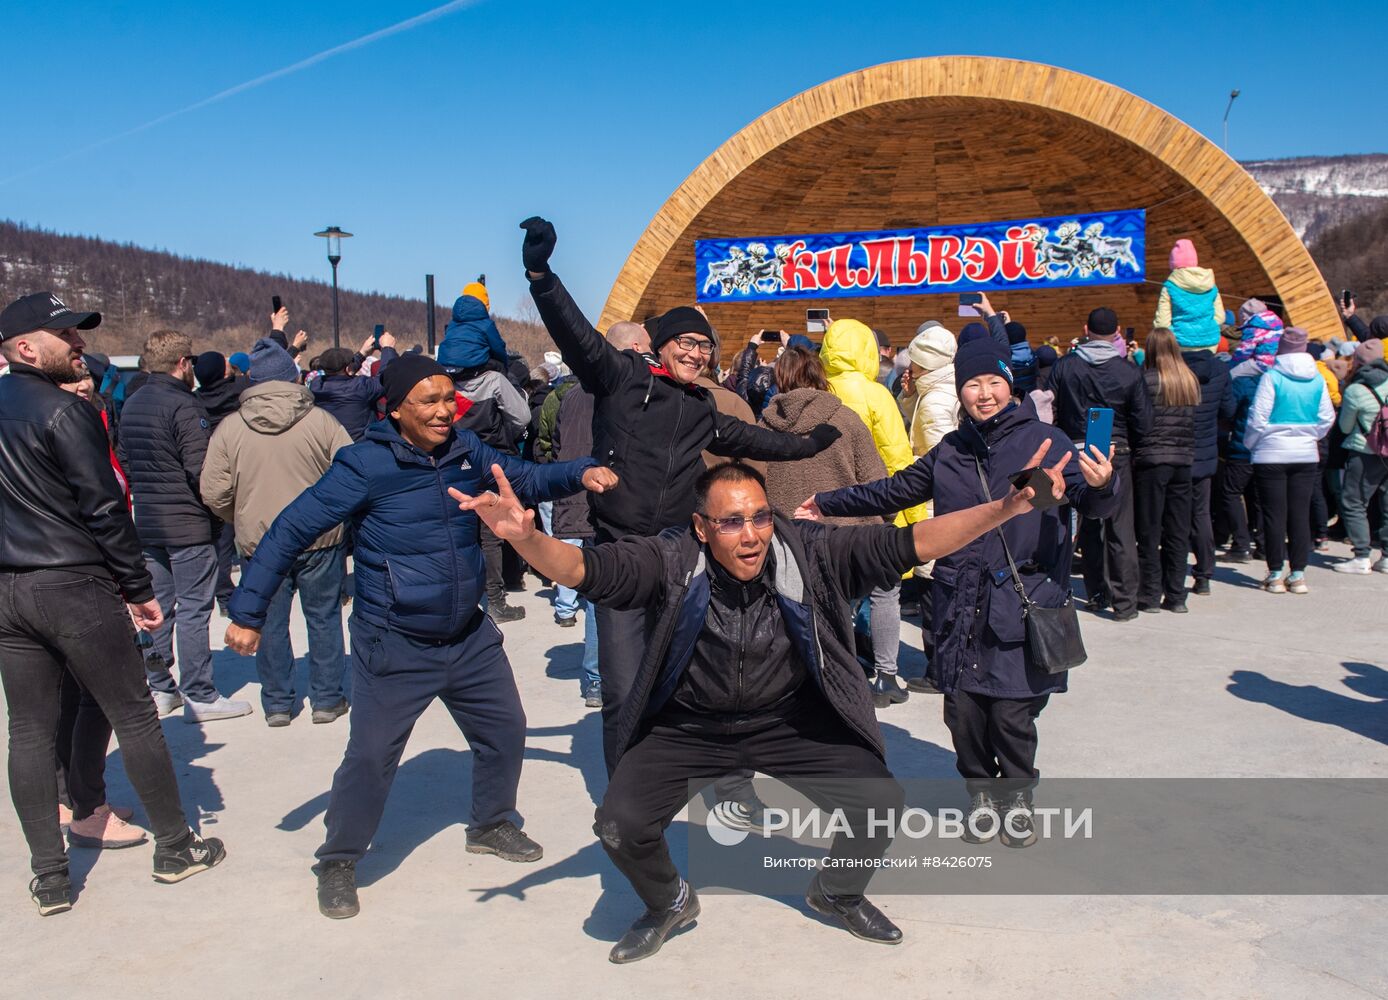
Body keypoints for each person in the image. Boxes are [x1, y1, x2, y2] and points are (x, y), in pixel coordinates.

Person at [454, 458, 1057, 963]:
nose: (751, 535)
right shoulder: (668, 560)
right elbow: (588, 571)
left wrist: (1004, 510)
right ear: (699, 527)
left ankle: (837, 894)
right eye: (732, 522)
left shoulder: (812, 552)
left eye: (761, 517)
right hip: (689, 726)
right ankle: (669, 902)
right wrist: (525, 539)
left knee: (879, 804)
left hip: (789, 720)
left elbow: (912, 541)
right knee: (619, 825)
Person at [222, 354, 616, 919]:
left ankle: (491, 823)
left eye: (447, 399)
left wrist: (579, 471)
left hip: (466, 633)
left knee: (505, 730)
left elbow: (524, 475)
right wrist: (249, 610)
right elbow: (291, 529)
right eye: (428, 401)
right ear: (397, 407)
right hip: (395, 641)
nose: (442, 411)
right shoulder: (364, 465)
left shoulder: (464, 450)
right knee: (372, 757)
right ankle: (337, 858)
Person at [519, 215, 842, 775]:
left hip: (676, 557)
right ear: (662, 344)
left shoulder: (703, 411)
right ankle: (626, 788)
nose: (696, 353)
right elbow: (573, 332)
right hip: (618, 552)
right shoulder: (619, 378)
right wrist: (541, 273)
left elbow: (759, 439)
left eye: (704, 346)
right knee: (622, 686)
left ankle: (688, 773)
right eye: (686, 343)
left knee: (685, 679)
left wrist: (812, 441)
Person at [800, 336, 1116, 850]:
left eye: (993, 381)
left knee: (1012, 714)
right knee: (963, 714)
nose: (984, 393)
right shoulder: (951, 450)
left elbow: (1088, 501)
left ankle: (1016, 797)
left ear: (1009, 386)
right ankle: (980, 795)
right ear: (959, 389)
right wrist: (827, 501)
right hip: (957, 602)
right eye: (973, 383)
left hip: (1021, 600)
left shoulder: (1046, 441)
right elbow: (894, 489)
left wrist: (1101, 487)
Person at [0, 292, 226, 916]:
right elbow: (103, 510)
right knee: (133, 714)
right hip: (71, 585)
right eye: (64, 335)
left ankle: (49, 877)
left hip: (9, 591)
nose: (78, 345)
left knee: (29, 729)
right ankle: (176, 847)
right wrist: (137, 588)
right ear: (24, 347)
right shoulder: (61, 413)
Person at [200, 337, 354, 726]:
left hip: (260, 540)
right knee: (323, 619)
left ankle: (279, 703)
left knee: (267, 622)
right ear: (292, 376)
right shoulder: (322, 421)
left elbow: (213, 490)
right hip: (321, 538)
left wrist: (240, 516)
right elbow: (353, 474)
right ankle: (327, 699)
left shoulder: (230, 428)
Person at [118, 329, 251, 722]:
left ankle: (160, 688)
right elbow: (201, 470)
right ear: (183, 364)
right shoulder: (183, 407)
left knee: (159, 609)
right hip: (189, 524)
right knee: (194, 608)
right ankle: (200, 694)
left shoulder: (133, 402)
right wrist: (223, 510)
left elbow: (125, 459)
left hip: (150, 522)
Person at [820, 317, 927, 706]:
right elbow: (899, 460)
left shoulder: (818, 390)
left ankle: (839, 672)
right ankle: (886, 676)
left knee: (835, 594)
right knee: (885, 592)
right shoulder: (877, 394)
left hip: (827, 511)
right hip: (875, 508)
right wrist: (916, 518)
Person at [1048, 307, 1151, 621]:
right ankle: (1125, 602)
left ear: (1085, 329)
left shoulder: (1064, 366)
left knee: (1088, 526)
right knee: (1121, 527)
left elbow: (1049, 408)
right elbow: (1144, 421)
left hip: (1074, 453)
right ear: (1117, 331)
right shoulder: (1129, 371)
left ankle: (1096, 592)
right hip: (1114, 453)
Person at [446, 342, 535, 623]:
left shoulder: (445, 383)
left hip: (455, 459)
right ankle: (495, 600)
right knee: (491, 536)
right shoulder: (494, 380)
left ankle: (461, 599)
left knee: (458, 532)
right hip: (493, 459)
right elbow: (522, 416)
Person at [1244, 327, 1334, 594]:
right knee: (1299, 513)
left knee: (1273, 514)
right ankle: (1298, 574)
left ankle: (1274, 573)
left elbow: (1257, 417)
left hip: (1271, 452)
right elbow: (1327, 417)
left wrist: (1254, 444)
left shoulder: (1272, 377)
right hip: (1305, 453)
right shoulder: (1317, 378)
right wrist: (1308, 435)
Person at [1134, 329, 1200, 613]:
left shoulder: (1146, 380)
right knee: (1178, 530)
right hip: (1183, 461)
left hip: (1151, 460)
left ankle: (1149, 594)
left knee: (1149, 531)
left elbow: (1138, 421)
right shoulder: (1188, 380)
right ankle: (1176, 594)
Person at [1220, 301, 1285, 561]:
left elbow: (1230, 410)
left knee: (1231, 492)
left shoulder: (1242, 375)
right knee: (1260, 496)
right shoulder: (1281, 373)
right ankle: (1264, 545)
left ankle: (1241, 545)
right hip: (1272, 448)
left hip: (1243, 445)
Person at [193, 351, 251, 613]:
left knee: (222, 541)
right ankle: (254, 588)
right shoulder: (240, 391)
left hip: (216, 470)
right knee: (252, 535)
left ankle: (225, 596)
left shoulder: (195, 400)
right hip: (245, 467)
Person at [1180, 330, 1234, 595]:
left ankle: (1174, 577)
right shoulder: (1220, 370)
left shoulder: (1171, 366)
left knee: (1174, 516)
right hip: (1204, 450)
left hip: (1174, 450)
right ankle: (1203, 576)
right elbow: (1228, 410)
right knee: (1201, 514)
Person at [1331, 339, 1388, 574]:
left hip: (1365, 451)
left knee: (1353, 502)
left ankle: (1361, 555)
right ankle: (1386, 557)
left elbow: (1345, 426)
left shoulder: (1356, 389)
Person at [308, 334, 400, 441]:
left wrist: (362, 354)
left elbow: (342, 371)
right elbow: (385, 378)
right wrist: (388, 349)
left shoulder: (316, 385)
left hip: (330, 444)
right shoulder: (360, 387)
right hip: (359, 446)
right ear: (348, 369)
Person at [897, 320, 959, 456]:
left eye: (912, 360)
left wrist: (908, 465)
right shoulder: (946, 385)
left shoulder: (934, 403)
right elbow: (925, 426)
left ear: (922, 362)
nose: (909, 365)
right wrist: (911, 396)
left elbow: (942, 460)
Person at [1153, 239, 1224, 350]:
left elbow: (1162, 323)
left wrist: (1175, 334)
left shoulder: (1169, 287)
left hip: (1180, 344)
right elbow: (1220, 317)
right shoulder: (1211, 285)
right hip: (1210, 343)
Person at [438, 282, 509, 372]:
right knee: (500, 366)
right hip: (469, 368)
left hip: (444, 365)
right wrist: (506, 367)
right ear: (485, 305)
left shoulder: (452, 324)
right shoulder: (486, 324)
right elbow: (499, 349)